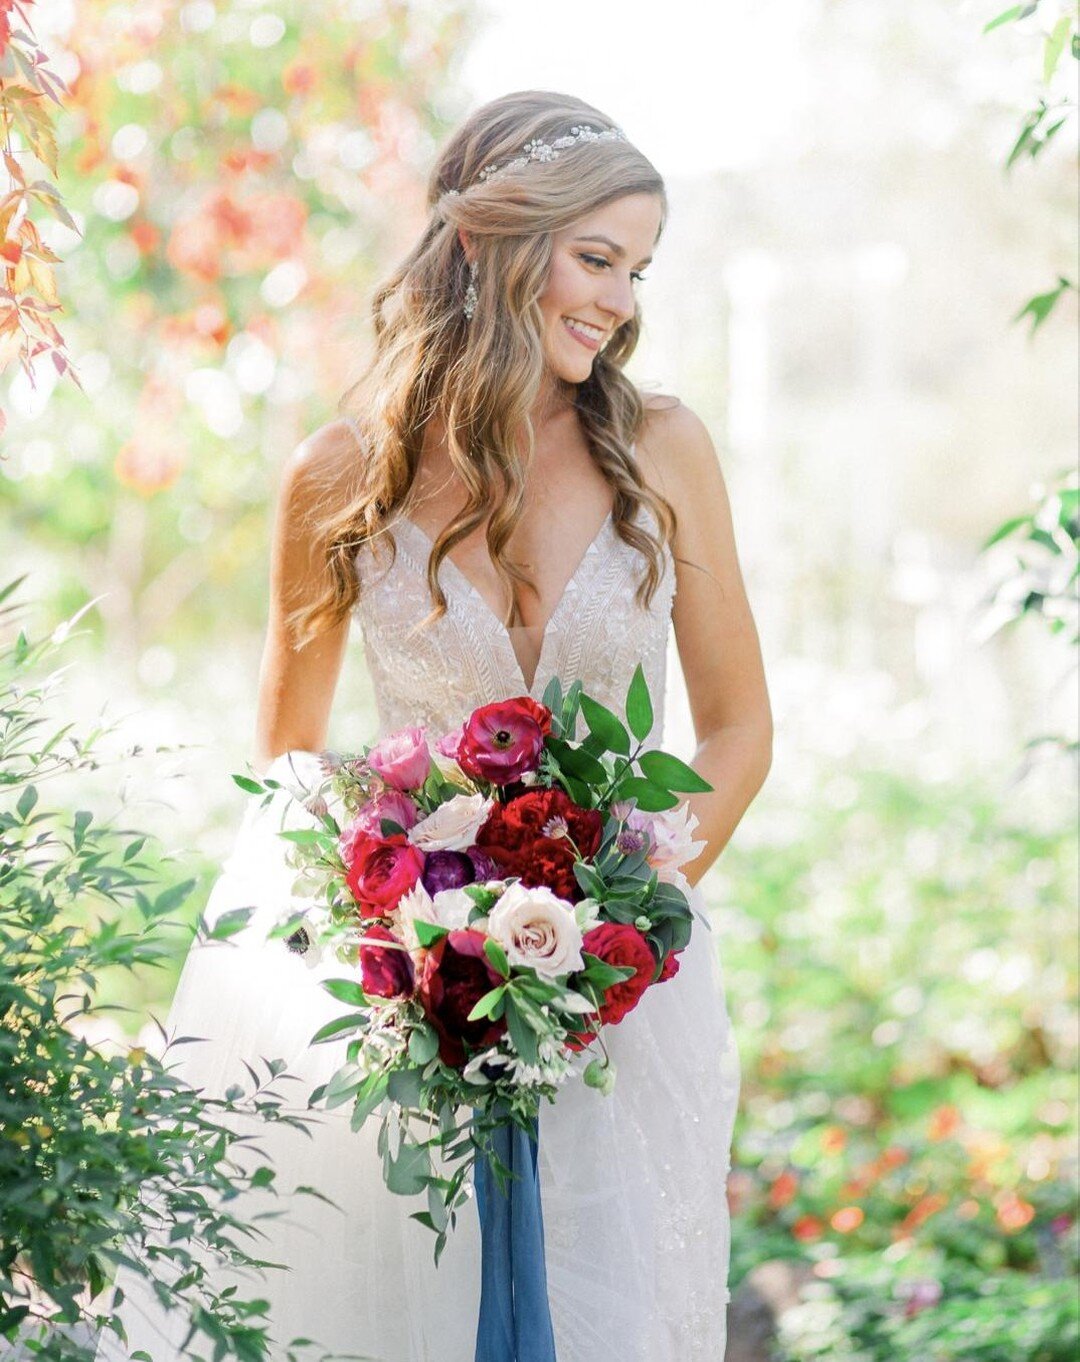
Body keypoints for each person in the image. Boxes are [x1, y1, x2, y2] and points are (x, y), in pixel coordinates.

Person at [97, 89, 772, 1362]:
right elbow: (290, 761)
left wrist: (613, 934)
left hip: (633, 998)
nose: (620, 298)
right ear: (489, 243)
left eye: (636, 268)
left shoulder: (665, 449)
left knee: (612, 1309)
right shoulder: (339, 478)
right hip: (417, 1006)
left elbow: (738, 728)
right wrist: (409, 946)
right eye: (595, 258)